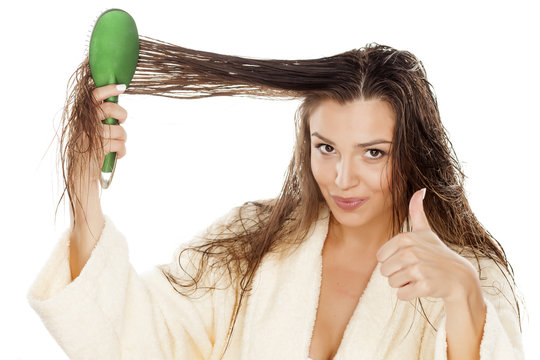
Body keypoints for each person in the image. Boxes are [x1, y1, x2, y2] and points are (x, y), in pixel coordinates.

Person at [28, 43, 524, 359]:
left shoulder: (469, 275)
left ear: (414, 152)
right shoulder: (254, 239)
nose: (342, 178)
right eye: (325, 147)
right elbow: (139, 338)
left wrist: (462, 295)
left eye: (373, 153)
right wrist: (84, 193)